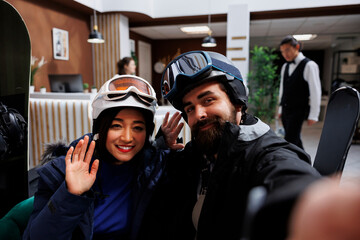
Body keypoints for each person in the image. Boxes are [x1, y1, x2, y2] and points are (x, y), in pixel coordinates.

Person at [143, 50, 321, 240]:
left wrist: (312, 206)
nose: (199, 114)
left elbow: (291, 181)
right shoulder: (200, 151)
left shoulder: (266, 154)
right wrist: (160, 147)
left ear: (237, 101)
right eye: (190, 108)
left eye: (208, 100)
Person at [23, 75, 181, 240]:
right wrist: (71, 193)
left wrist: (162, 145)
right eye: (116, 126)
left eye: (138, 128)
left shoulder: (151, 169)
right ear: (100, 129)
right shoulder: (62, 172)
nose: (128, 137)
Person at [278, 35, 322, 149]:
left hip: (298, 109)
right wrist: (280, 108)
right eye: (282, 52)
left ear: (297, 47)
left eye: (287, 50)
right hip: (286, 109)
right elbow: (283, 88)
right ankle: (304, 162)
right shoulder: (285, 66)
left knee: (290, 139)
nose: (285, 54)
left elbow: (315, 91)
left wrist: (314, 114)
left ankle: (291, 164)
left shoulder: (309, 65)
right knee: (294, 139)